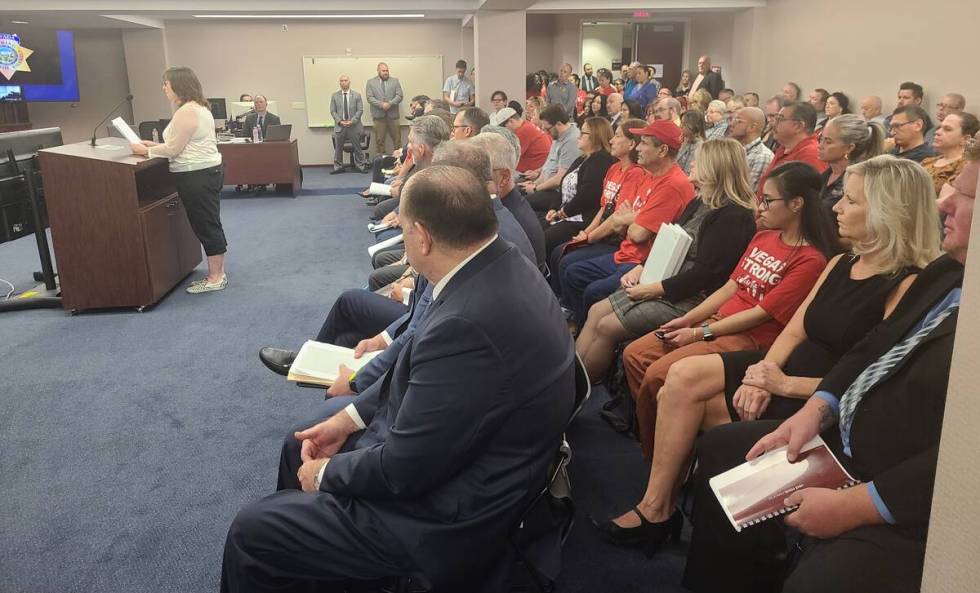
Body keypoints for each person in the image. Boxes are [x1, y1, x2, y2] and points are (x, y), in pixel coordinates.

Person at [223, 165, 575, 593]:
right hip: (470, 463)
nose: (404, 238)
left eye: (405, 229)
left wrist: (327, 475)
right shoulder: (495, 264)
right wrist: (347, 420)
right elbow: (412, 362)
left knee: (253, 532)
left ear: (423, 237)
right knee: (300, 446)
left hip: (449, 518)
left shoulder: (468, 324)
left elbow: (402, 472)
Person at [604, 156, 943, 564]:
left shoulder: (907, 284)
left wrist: (782, 384)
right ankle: (658, 505)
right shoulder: (841, 262)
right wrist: (759, 376)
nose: (835, 207)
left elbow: (868, 380)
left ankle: (703, 517)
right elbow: (796, 330)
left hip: (821, 398)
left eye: (850, 202)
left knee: (707, 423)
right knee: (681, 378)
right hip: (784, 372)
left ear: (890, 212)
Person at [682, 151, 969, 593]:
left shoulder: (913, 275)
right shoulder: (947, 272)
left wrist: (861, 504)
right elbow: (873, 348)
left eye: (965, 194)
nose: (943, 203)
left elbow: (962, 455)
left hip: (901, 481)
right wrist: (815, 410)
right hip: (845, 431)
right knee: (724, 447)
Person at [591, 162, 840, 551]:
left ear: (796, 204)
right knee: (639, 354)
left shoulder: (811, 259)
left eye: (768, 200)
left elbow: (761, 314)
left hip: (748, 338)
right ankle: (661, 456)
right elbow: (729, 288)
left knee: (660, 375)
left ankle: (666, 475)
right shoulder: (764, 238)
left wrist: (699, 331)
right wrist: (688, 321)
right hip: (715, 320)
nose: (759, 207)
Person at [576, 138, 758, 381]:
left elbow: (704, 275)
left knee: (606, 326)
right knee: (597, 311)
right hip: (667, 280)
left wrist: (652, 290)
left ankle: (581, 387)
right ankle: (571, 378)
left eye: (699, 160)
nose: (691, 162)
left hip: (690, 296)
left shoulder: (733, 216)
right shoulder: (701, 200)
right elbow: (669, 238)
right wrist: (641, 267)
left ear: (714, 168)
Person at [559, 120, 694, 326]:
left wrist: (629, 219)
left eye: (644, 143)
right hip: (625, 252)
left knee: (592, 292)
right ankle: (578, 324)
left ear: (663, 150)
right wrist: (629, 220)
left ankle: (585, 335)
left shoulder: (673, 184)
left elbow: (637, 233)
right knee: (572, 270)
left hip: (641, 263)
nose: (638, 148)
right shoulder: (649, 176)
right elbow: (619, 222)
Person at [131, 66, 227, 294]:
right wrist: (154, 146)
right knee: (208, 221)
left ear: (178, 85)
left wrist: (145, 152)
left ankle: (216, 277)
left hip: (197, 175)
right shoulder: (198, 107)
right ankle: (218, 273)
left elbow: (174, 148)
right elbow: (185, 143)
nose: (164, 88)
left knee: (206, 223)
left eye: (166, 83)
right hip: (205, 171)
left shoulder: (187, 111)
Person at [470, 132, 548, 272]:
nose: (465, 180)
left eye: (476, 172)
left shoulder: (503, 227)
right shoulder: (510, 208)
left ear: (504, 177)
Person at [541, 117, 617, 255]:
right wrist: (553, 208)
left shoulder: (600, 160)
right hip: (567, 212)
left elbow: (588, 194)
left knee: (546, 238)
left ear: (595, 136)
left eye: (583, 133)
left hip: (582, 217)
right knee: (537, 228)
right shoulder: (582, 158)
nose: (579, 136)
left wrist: (562, 213)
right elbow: (564, 184)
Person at [756, 101, 827, 199]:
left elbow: (807, 199)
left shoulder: (811, 154)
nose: (774, 124)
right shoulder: (784, 147)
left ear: (798, 126)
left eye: (780, 119)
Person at [816, 114, 886, 213]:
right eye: (820, 139)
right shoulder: (825, 175)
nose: (820, 146)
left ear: (849, 148)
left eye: (828, 142)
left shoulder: (859, 181)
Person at [520, 104, 582, 211]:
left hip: (556, 192)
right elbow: (549, 167)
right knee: (516, 192)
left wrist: (535, 188)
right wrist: (534, 183)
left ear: (558, 124)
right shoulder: (558, 135)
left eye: (547, 129)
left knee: (521, 203)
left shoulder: (571, 141)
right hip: (545, 186)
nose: (545, 132)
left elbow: (560, 178)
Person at [921, 111, 980, 195]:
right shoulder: (927, 161)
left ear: (965, 139)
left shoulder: (966, 166)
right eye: (940, 127)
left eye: (947, 129)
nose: (937, 132)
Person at [491, 106, 552, 173]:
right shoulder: (526, 125)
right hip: (538, 168)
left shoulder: (522, 132)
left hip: (531, 172)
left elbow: (510, 157)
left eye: (503, 127)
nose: (504, 130)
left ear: (511, 121)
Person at [728, 106, 775, 193]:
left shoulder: (762, 156)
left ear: (752, 127)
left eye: (738, 121)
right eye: (732, 120)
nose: (731, 124)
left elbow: (745, 193)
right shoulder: (732, 150)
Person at [329, 75, 367, 174]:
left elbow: (360, 110)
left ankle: (360, 166)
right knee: (338, 148)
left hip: (354, 126)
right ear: (339, 83)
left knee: (358, 147)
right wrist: (340, 121)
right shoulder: (335, 95)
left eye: (345, 80)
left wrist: (352, 121)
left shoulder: (357, 95)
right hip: (340, 126)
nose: (343, 82)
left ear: (349, 82)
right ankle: (338, 167)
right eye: (341, 81)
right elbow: (333, 111)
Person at [365, 62, 404, 156]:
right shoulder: (370, 82)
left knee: (397, 139)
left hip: (393, 116)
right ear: (378, 71)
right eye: (383, 71)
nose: (386, 72)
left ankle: (398, 162)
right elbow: (369, 97)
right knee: (379, 140)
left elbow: (400, 95)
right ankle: (381, 162)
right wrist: (381, 104)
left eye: (387, 70)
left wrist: (390, 103)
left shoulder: (395, 81)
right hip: (378, 116)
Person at [676, 110, 705, 176]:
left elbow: (688, 171)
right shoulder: (685, 142)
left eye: (684, 124)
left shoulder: (700, 146)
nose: (680, 126)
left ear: (692, 126)